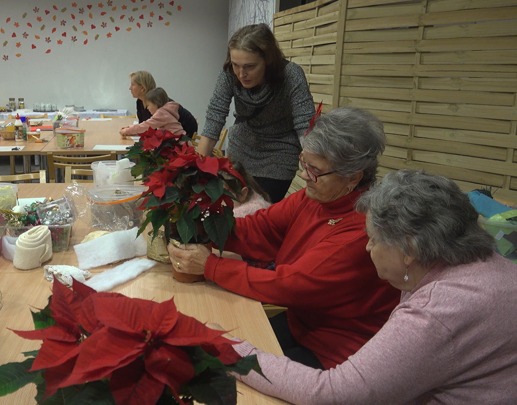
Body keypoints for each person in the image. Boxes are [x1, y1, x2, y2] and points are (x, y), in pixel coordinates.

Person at [216, 170, 517, 404]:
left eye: (372, 239)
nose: (368, 248)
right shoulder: (488, 265)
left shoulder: (437, 311)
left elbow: (333, 394)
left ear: (409, 249)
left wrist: (227, 349)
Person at [167, 107, 400, 370]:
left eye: (315, 170)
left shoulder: (360, 231)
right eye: (304, 163)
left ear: (353, 178)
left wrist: (210, 266)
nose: (304, 175)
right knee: (205, 344)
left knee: (220, 370)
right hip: (300, 324)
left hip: (336, 353)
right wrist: (199, 225)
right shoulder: (318, 197)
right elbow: (261, 228)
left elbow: (289, 285)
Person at [199, 23, 315, 204]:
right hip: (243, 146)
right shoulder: (229, 73)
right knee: (237, 207)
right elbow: (215, 117)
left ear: (268, 60)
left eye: (250, 66)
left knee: (260, 208)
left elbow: (305, 125)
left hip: (280, 150)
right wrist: (197, 173)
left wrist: (314, 168)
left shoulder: (291, 75)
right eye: (236, 65)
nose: (241, 74)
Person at [129, 71, 198, 136]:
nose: (130, 88)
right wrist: (131, 130)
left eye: (132, 85)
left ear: (142, 88)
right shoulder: (139, 102)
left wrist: (130, 130)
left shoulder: (160, 103)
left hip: (184, 133)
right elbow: (143, 126)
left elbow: (151, 128)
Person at [119, 88, 186, 136]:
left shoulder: (161, 113)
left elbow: (145, 126)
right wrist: (130, 127)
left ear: (156, 103)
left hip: (179, 145)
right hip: (181, 142)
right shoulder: (166, 111)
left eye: (148, 105)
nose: (147, 108)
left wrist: (127, 130)